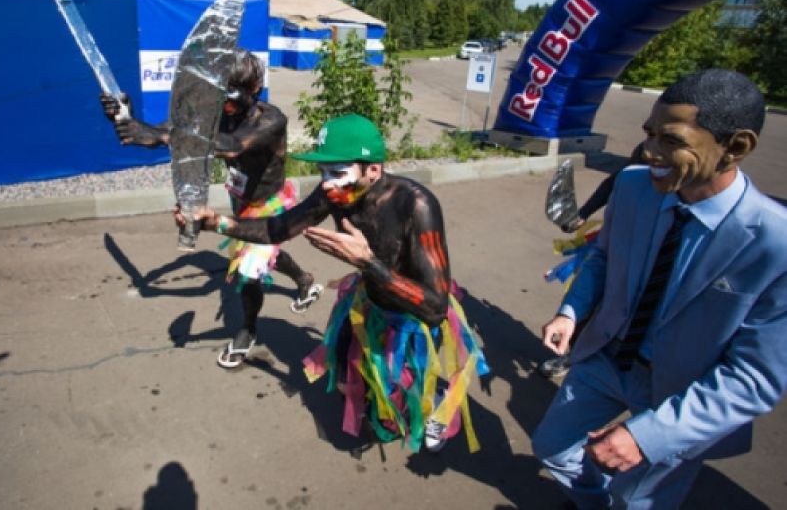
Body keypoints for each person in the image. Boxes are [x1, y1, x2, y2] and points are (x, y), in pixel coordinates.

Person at [532, 69, 787, 509]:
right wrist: (570, 312)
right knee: (552, 448)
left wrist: (648, 435)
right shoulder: (633, 186)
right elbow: (604, 258)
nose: (649, 151)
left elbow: (754, 378)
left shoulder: (776, 244)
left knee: (638, 502)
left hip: (685, 395)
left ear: (736, 147)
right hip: (607, 358)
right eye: (649, 133)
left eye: (670, 140)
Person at [177, 113, 489, 453]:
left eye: (337, 172)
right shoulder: (336, 192)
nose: (326, 184)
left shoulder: (416, 205)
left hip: (412, 320)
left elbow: (435, 308)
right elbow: (278, 228)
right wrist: (216, 223)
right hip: (368, 304)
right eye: (323, 172)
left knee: (400, 402)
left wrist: (367, 262)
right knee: (345, 379)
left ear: (373, 170)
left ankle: (438, 400)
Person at [101, 50, 322, 369]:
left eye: (230, 95)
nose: (223, 103)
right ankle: (303, 279)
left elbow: (231, 147)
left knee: (248, 272)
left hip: (269, 205)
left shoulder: (272, 120)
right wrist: (128, 120)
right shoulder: (217, 110)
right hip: (240, 200)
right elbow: (173, 129)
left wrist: (159, 135)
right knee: (261, 255)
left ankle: (248, 330)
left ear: (255, 89)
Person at [539, 142, 647, 379]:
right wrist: (582, 214)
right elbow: (617, 181)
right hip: (619, 247)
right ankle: (573, 353)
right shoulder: (645, 157)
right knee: (592, 301)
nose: (653, 150)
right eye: (651, 135)